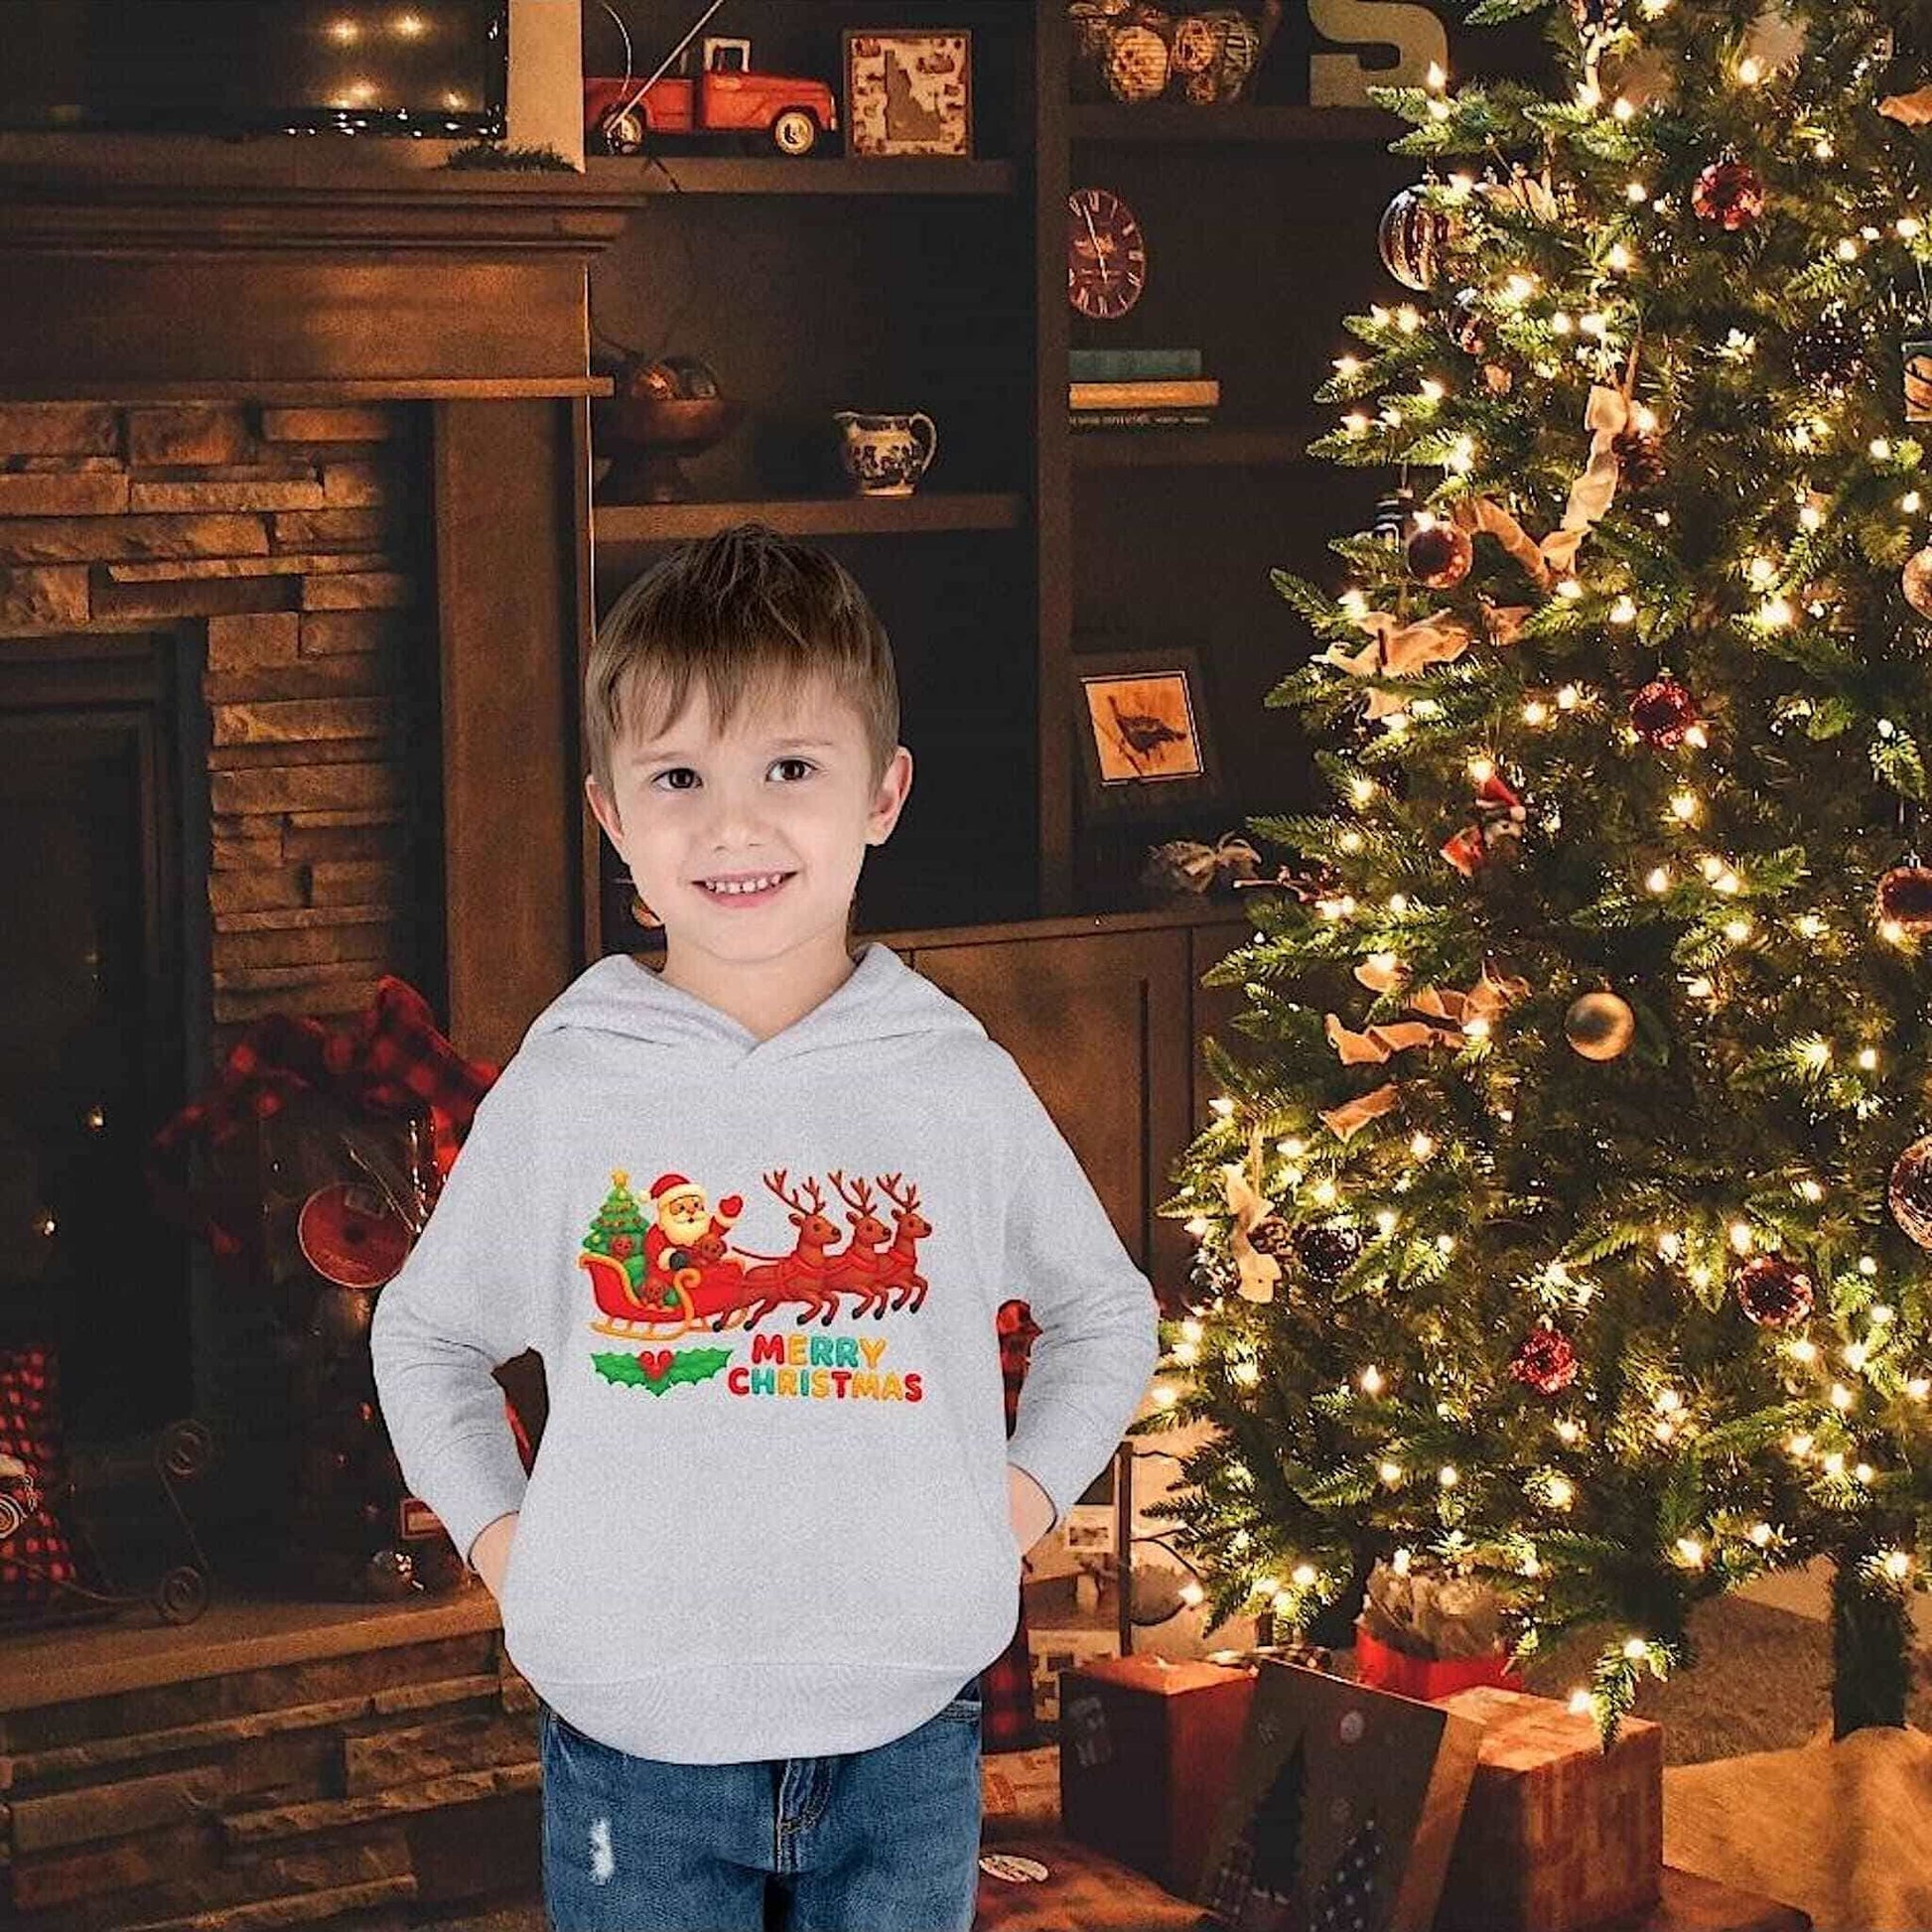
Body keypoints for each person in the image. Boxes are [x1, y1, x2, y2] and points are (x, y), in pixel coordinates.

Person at [368, 522, 1162, 1932]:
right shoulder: (568, 1078)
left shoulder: (952, 1076)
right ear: (613, 815)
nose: (733, 826)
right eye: (679, 777)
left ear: (882, 793)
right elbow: (427, 1332)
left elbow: (1105, 1310)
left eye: (789, 768)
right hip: (634, 1742)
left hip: (906, 1733)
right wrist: (507, 1544)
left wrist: (1013, 1511)